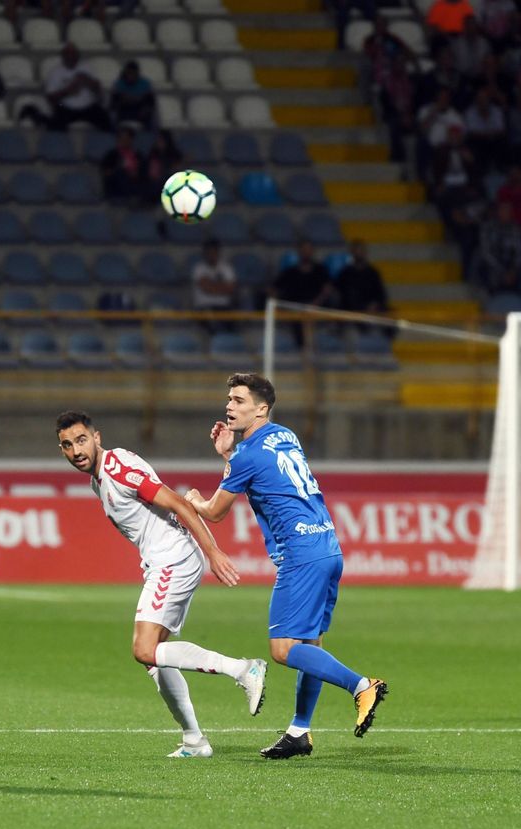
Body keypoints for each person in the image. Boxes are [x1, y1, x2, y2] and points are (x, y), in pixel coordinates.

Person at [183, 374, 388, 758]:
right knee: (310, 644)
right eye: (229, 399)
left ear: (261, 408)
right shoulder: (285, 435)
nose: (230, 406)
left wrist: (193, 499)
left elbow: (215, 513)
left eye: (239, 400)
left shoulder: (247, 454)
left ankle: (362, 685)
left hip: (301, 556)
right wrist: (230, 455)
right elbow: (262, 472)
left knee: (282, 649)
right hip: (327, 547)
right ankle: (299, 732)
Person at [55, 411, 267, 758]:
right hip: (164, 561)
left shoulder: (117, 470)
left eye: (81, 440)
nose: (76, 450)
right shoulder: (99, 479)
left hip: (174, 560)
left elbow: (178, 502)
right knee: (155, 660)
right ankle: (194, 741)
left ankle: (243, 669)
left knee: (143, 649)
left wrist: (212, 551)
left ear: (96, 438)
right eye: (67, 445)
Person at [44, 44, 111, 131]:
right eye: (68, 54)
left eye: (73, 54)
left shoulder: (87, 68)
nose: (71, 56)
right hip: (65, 108)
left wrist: (88, 81)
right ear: (63, 56)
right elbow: (50, 98)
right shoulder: (55, 72)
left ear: (78, 56)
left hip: (89, 107)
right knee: (54, 127)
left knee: (107, 122)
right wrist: (67, 91)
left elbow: (98, 90)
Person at [191, 237, 237, 330]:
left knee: (233, 322)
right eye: (208, 252)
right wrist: (223, 286)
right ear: (204, 253)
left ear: (218, 252)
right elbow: (206, 288)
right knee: (213, 324)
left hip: (224, 306)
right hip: (204, 306)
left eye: (213, 252)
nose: (211, 255)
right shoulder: (199, 268)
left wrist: (212, 284)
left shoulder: (226, 267)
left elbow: (231, 289)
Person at [335, 239, 389, 317]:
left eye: (362, 250)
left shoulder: (373, 272)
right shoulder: (345, 273)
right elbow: (340, 293)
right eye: (357, 250)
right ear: (352, 252)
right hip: (350, 310)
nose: (359, 253)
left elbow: (380, 294)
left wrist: (374, 305)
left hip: (371, 308)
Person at [109, 60, 157, 129]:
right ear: (125, 73)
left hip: (140, 111)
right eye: (129, 73)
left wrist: (135, 99)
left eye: (133, 73)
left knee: (149, 112)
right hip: (124, 111)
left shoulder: (145, 84)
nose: (131, 76)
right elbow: (113, 103)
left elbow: (151, 102)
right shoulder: (119, 84)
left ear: (137, 73)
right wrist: (127, 99)